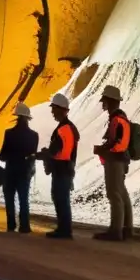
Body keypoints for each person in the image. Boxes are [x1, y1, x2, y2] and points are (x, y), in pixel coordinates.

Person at [94, 85, 133, 241]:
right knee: (121, 193)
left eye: (105, 101)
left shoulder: (117, 119)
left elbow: (119, 144)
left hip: (115, 162)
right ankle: (126, 228)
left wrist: (105, 151)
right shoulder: (120, 118)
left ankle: (116, 231)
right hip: (119, 161)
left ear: (110, 101)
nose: (103, 104)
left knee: (114, 194)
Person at [37, 93, 79, 239]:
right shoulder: (69, 127)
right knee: (62, 198)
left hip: (61, 169)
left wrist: (41, 155)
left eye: (53, 109)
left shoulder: (63, 129)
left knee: (60, 198)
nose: (52, 112)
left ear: (61, 109)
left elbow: (56, 151)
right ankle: (64, 229)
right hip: (65, 168)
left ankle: (64, 230)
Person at [0, 102, 39, 233]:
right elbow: (32, 155)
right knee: (23, 199)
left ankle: (11, 225)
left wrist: (10, 156)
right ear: (28, 118)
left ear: (17, 117)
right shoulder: (34, 135)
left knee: (9, 199)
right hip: (25, 172)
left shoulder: (9, 133)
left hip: (10, 172)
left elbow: (2, 156)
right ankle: (24, 226)